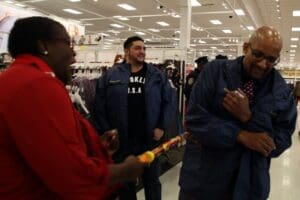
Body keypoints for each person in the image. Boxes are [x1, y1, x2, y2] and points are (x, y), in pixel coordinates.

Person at [0, 16, 144, 200]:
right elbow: (68, 173)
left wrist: (94, 146)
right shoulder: (37, 85)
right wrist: (123, 171)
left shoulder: (16, 79)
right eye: (67, 43)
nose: (74, 53)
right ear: (43, 46)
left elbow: (43, 150)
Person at [179, 26, 297, 200]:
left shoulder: (281, 92)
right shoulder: (215, 72)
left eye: (271, 59)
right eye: (258, 54)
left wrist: (248, 117)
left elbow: (281, 140)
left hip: (249, 185)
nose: (263, 64)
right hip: (203, 180)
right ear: (245, 47)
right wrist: (240, 135)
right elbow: (195, 118)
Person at [94, 36, 176, 200]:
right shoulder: (110, 75)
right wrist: (107, 131)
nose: (142, 52)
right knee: (125, 184)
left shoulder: (156, 75)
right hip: (122, 141)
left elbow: (169, 102)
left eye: (144, 48)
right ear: (126, 51)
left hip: (149, 139)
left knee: (152, 181)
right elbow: (99, 106)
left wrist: (161, 126)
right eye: (137, 48)